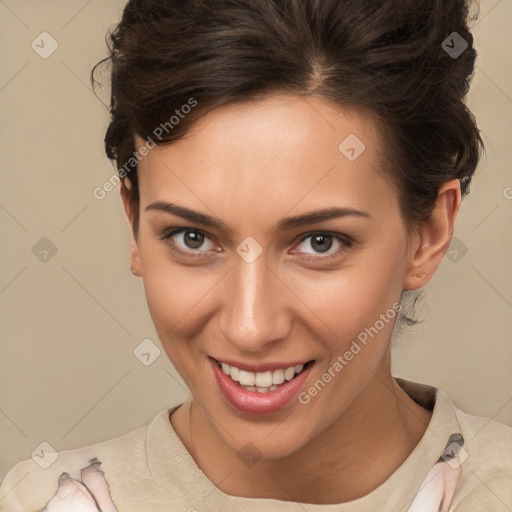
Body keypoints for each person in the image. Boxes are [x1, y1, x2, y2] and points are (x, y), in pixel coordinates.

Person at [1, 0, 511, 511]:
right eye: (192, 238)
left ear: (428, 233)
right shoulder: (41, 500)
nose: (250, 327)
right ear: (133, 221)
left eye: (319, 242)